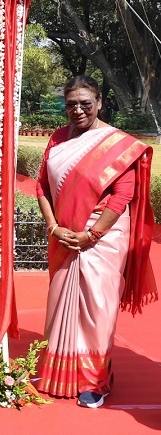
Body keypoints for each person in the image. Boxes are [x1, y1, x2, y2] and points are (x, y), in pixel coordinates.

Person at [36, 75, 155, 408]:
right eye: (71, 104)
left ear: (100, 103)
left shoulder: (117, 144)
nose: (78, 110)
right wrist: (54, 228)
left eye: (85, 103)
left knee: (97, 308)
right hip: (63, 236)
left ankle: (96, 380)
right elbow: (41, 187)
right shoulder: (58, 139)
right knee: (63, 303)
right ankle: (61, 372)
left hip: (102, 237)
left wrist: (92, 235)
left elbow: (123, 196)